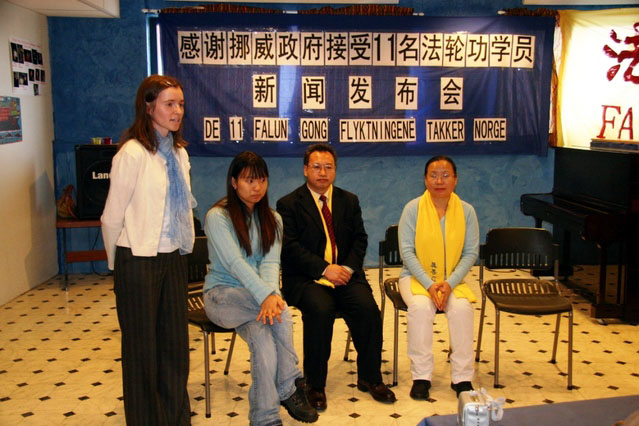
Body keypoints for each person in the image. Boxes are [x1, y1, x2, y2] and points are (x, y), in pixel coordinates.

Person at [101, 74, 196, 425]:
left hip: (174, 256)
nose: (177, 111)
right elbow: (111, 216)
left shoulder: (179, 152)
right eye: (169, 104)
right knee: (142, 351)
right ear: (148, 106)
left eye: (180, 104)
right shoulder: (133, 153)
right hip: (137, 260)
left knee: (174, 347)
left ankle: (174, 418)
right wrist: (118, 265)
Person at [276, 143, 396, 411]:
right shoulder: (288, 204)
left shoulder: (348, 200)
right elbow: (290, 248)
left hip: (345, 275)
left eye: (328, 167)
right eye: (316, 167)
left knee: (367, 309)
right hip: (307, 278)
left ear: (335, 170)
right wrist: (324, 269)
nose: (323, 172)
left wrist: (348, 269)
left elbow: (360, 239)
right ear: (305, 169)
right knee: (321, 309)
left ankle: (370, 377)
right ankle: (315, 385)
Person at [203, 151, 318, 426]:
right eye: (249, 180)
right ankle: (289, 385)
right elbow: (234, 263)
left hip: (255, 304)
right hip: (222, 298)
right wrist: (267, 296)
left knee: (265, 342)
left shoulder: (273, 219)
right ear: (234, 182)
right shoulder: (217, 217)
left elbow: (270, 264)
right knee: (283, 313)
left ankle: (264, 418)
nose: (257, 187)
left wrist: (271, 295)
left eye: (262, 180)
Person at [397, 155, 479, 400]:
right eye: (433, 175)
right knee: (421, 308)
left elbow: (471, 252)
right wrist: (430, 284)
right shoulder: (412, 209)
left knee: (462, 309)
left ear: (455, 180)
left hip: (453, 280)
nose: (439, 181)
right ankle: (421, 377)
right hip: (415, 278)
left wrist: (449, 283)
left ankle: (462, 377)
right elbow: (407, 252)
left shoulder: (467, 211)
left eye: (445, 175)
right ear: (425, 180)